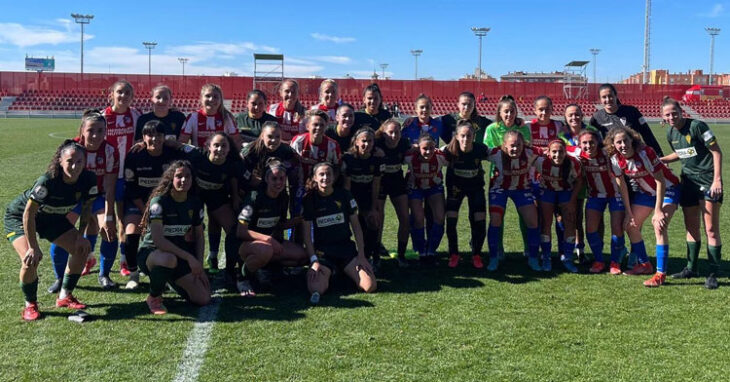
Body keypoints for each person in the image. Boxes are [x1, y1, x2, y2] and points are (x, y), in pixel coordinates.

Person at [4, 141, 98, 321]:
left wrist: (80, 236)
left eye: (79, 161)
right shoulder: (47, 181)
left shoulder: (89, 179)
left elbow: (87, 209)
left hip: (52, 218)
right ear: (60, 161)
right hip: (20, 217)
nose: (75, 166)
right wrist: (32, 246)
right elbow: (28, 214)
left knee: (81, 249)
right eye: (70, 161)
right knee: (31, 259)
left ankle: (64, 296)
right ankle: (30, 305)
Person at [49, 110, 119, 292]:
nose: (95, 135)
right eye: (91, 130)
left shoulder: (111, 151)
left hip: (98, 198)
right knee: (59, 237)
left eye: (100, 130)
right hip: (74, 200)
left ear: (106, 131)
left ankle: (104, 274)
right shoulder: (71, 148)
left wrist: (110, 216)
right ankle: (60, 278)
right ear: (82, 130)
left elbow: (110, 187)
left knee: (109, 232)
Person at [660, 97, 723, 289]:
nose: (671, 117)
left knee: (711, 228)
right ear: (663, 117)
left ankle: (712, 272)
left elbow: (716, 152)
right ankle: (691, 268)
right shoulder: (671, 133)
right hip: (687, 182)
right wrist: (660, 160)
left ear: (681, 111)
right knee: (691, 227)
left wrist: (717, 179)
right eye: (667, 115)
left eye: (674, 113)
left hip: (707, 181)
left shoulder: (698, 126)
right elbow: (683, 153)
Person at [607, 126, 680, 287]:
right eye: (618, 142)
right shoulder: (615, 159)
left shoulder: (645, 153)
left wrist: (659, 210)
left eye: (625, 140)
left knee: (659, 226)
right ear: (613, 145)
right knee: (630, 225)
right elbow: (623, 188)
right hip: (646, 193)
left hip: (668, 189)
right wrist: (628, 212)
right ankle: (645, 265)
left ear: (632, 140)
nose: (623, 145)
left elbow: (660, 180)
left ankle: (660, 274)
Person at [138, 160, 210, 314]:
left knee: (203, 298)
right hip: (152, 254)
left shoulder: (195, 203)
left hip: (179, 256)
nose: (183, 180)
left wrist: (199, 265)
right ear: (171, 178)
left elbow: (199, 236)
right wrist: (190, 258)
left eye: (188, 176)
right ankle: (154, 297)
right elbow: (159, 240)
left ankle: (169, 279)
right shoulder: (159, 202)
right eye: (179, 176)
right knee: (168, 260)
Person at [303, 162, 376, 304]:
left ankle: (342, 272)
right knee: (316, 289)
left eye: (328, 174)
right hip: (323, 252)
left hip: (346, 249)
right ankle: (330, 273)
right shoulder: (309, 200)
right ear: (315, 178)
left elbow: (356, 227)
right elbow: (307, 235)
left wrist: (361, 255)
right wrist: (313, 261)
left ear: (334, 177)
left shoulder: (344, 195)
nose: (325, 177)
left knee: (370, 286)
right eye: (321, 174)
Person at [122, 121, 185, 289]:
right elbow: (131, 187)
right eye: (150, 135)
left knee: (173, 234)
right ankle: (134, 275)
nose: (154, 139)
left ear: (164, 137)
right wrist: (145, 212)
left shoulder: (172, 155)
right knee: (131, 233)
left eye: (159, 135)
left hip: (165, 204)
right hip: (138, 203)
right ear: (143, 137)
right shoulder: (134, 156)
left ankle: (171, 273)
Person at [236, 159, 306, 296]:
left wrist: (300, 220)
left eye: (282, 178)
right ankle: (242, 278)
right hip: (248, 245)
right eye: (274, 178)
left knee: (303, 257)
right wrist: (269, 239)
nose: (278, 182)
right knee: (265, 250)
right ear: (266, 179)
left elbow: (279, 224)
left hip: (270, 245)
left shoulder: (283, 197)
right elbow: (240, 231)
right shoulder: (254, 198)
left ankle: (266, 269)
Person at [571, 130, 627, 275]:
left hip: (615, 195)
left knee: (617, 228)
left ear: (598, 143)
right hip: (595, 196)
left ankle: (615, 261)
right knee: (590, 228)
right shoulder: (578, 154)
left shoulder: (609, 155)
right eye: (584, 143)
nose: (588, 146)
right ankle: (599, 260)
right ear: (579, 144)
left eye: (591, 142)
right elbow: (557, 148)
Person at [485, 131, 541, 272]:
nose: (515, 148)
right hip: (499, 189)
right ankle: (493, 257)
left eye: (518, 145)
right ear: (504, 145)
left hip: (521, 189)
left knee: (533, 221)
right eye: (512, 145)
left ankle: (533, 258)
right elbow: (478, 151)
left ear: (523, 144)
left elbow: (549, 150)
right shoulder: (496, 153)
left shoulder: (530, 152)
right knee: (495, 219)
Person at [102, 80, 142, 278]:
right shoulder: (103, 116)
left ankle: (125, 260)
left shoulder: (135, 115)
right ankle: (91, 258)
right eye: (119, 92)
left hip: (129, 177)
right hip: (108, 177)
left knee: (124, 221)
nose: (123, 96)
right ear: (112, 94)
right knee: (99, 221)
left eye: (127, 92)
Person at [483, 95, 531, 259]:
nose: (509, 115)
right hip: (498, 179)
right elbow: (488, 152)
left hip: (521, 178)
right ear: (499, 113)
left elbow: (528, 148)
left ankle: (528, 248)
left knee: (525, 216)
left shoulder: (524, 128)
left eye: (512, 111)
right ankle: (498, 250)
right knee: (498, 217)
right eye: (506, 112)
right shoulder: (492, 129)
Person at [442, 120, 490, 269]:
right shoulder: (449, 150)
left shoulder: (481, 149)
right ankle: (454, 254)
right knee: (451, 220)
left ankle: (476, 254)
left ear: (474, 137)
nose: (465, 139)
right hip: (455, 188)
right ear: (456, 136)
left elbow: (499, 153)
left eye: (469, 136)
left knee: (479, 220)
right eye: (462, 136)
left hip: (475, 187)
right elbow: (431, 153)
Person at [534, 140, 583, 272]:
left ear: (565, 152)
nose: (557, 155)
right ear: (548, 153)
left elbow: (579, 181)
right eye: (554, 152)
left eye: (560, 151)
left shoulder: (573, 162)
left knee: (570, 223)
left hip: (566, 192)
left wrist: (572, 200)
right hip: (547, 191)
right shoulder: (540, 161)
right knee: (546, 223)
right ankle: (546, 258)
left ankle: (568, 258)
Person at [404, 133, 448, 265]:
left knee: (440, 217)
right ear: (418, 148)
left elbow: (455, 158)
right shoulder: (410, 156)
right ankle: (421, 251)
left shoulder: (440, 156)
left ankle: (431, 250)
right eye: (424, 148)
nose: (428, 151)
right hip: (416, 188)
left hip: (434, 187)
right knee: (418, 218)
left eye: (431, 148)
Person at [341, 128, 383, 269]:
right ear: (356, 142)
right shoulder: (348, 158)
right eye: (363, 141)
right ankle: (345, 257)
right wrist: (351, 208)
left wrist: (373, 208)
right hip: (350, 197)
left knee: (373, 221)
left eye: (370, 141)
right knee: (348, 224)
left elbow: (376, 185)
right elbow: (347, 187)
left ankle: (370, 255)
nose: (367, 144)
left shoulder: (376, 159)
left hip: (367, 197)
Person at [374, 119, 412, 268]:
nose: (394, 135)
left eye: (397, 132)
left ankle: (401, 256)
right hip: (380, 182)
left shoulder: (404, 143)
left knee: (405, 218)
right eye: (390, 132)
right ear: (383, 133)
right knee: (378, 220)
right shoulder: (376, 144)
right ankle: (376, 256)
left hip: (397, 180)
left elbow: (414, 150)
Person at [589, 83, 663, 156]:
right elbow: (592, 140)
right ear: (600, 99)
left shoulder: (632, 111)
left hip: (634, 158)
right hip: (612, 161)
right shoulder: (596, 118)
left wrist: (659, 155)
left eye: (610, 96)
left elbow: (648, 135)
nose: (608, 99)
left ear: (615, 96)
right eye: (604, 97)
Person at [179, 83, 241, 149]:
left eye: (215, 97)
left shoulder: (227, 118)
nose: (211, 99)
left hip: (221, 157)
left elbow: (236, 142)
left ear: (220, 100)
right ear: (201, 99)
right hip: (198, 158)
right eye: (208, 96)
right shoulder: (192, 117)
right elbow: (183, 142)